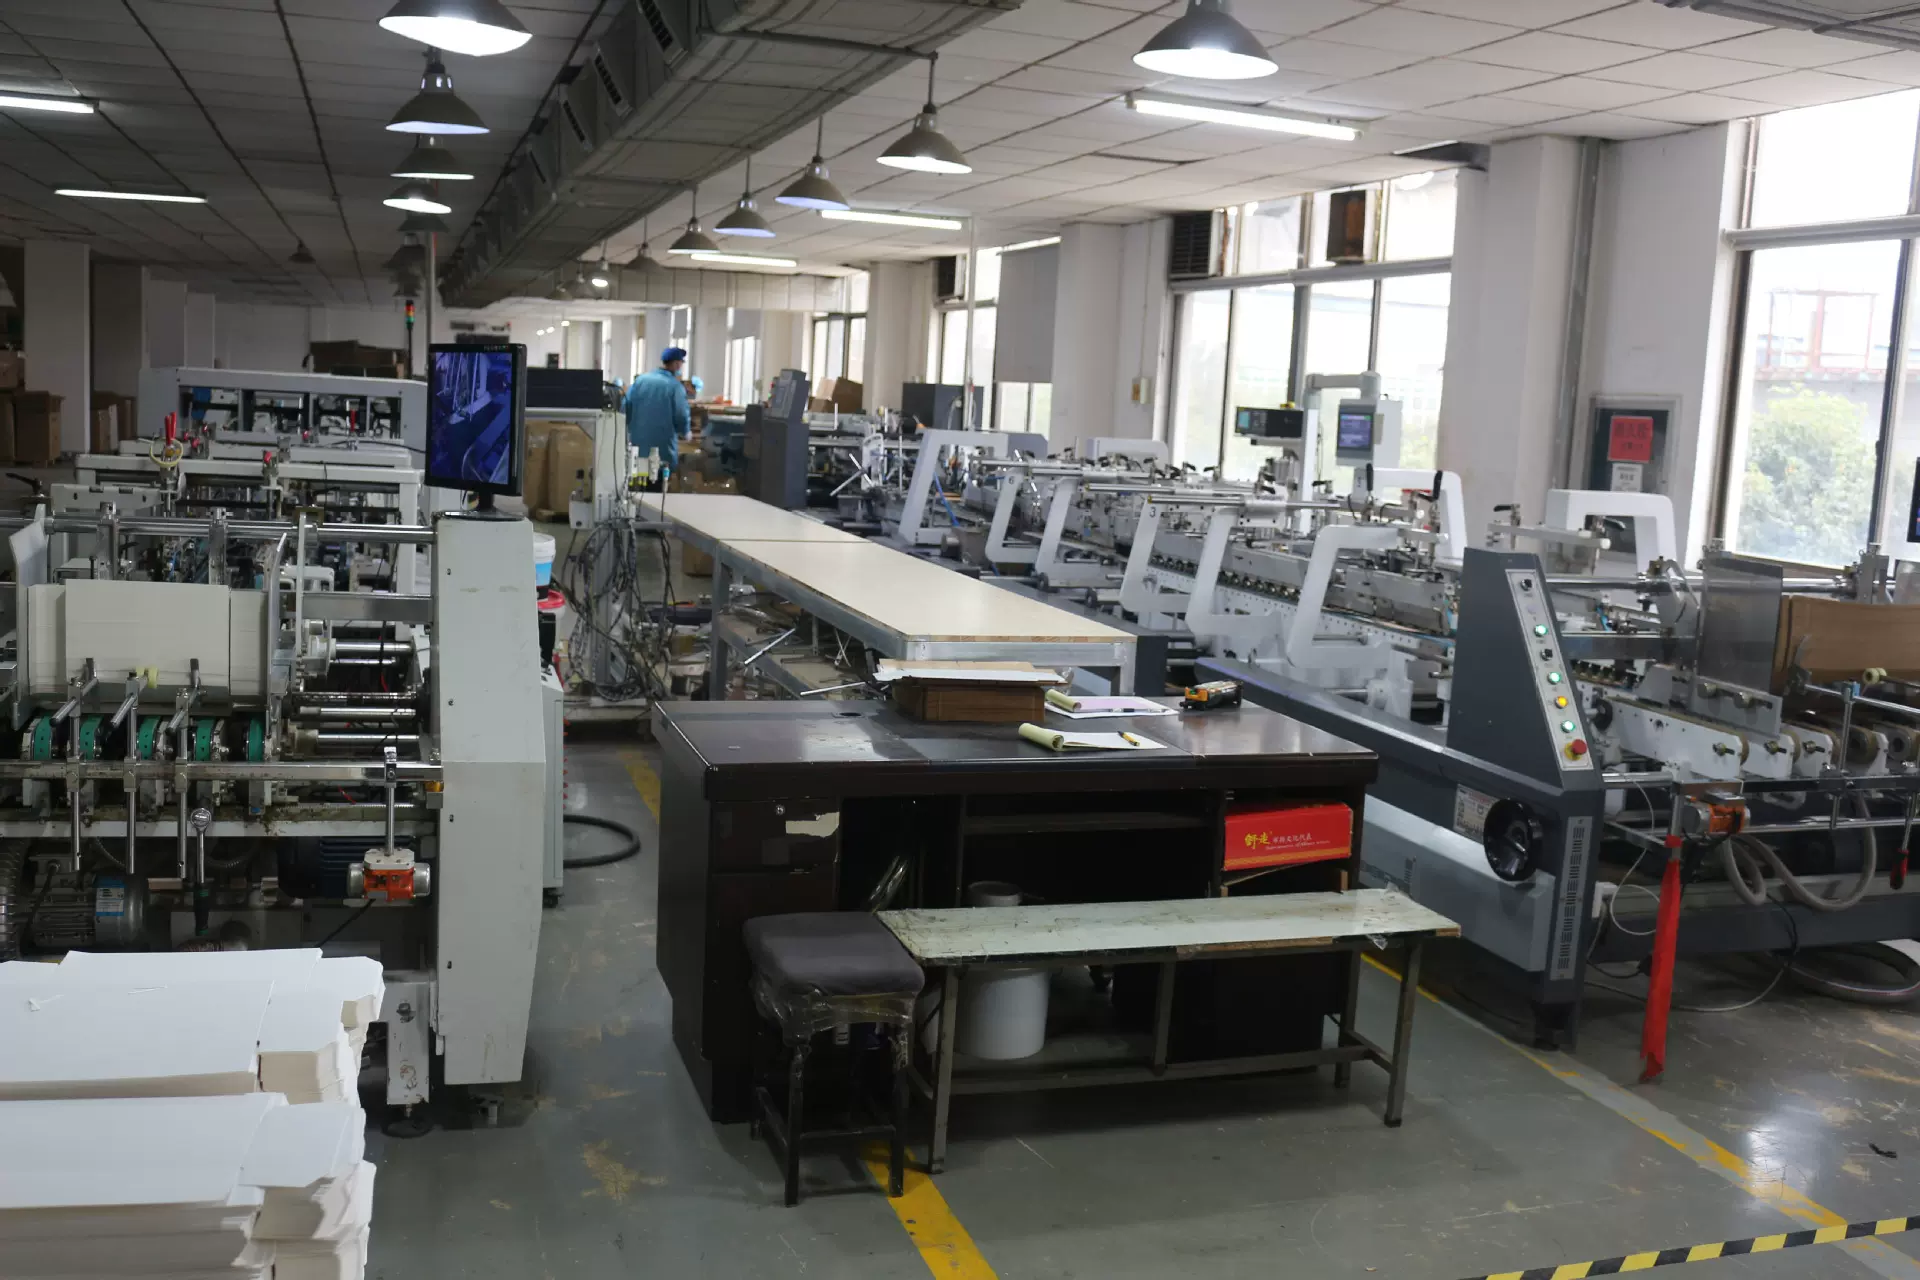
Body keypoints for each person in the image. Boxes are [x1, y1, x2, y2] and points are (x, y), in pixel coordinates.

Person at [625, 346, 692, 478]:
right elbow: (681, 414)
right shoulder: (675, 386)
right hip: (663, 448)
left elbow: (626, 407)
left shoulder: (640, 381)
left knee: (638, 481)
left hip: (637, 446)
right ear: (676, 364)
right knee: (659, 482)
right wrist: (685, 431)